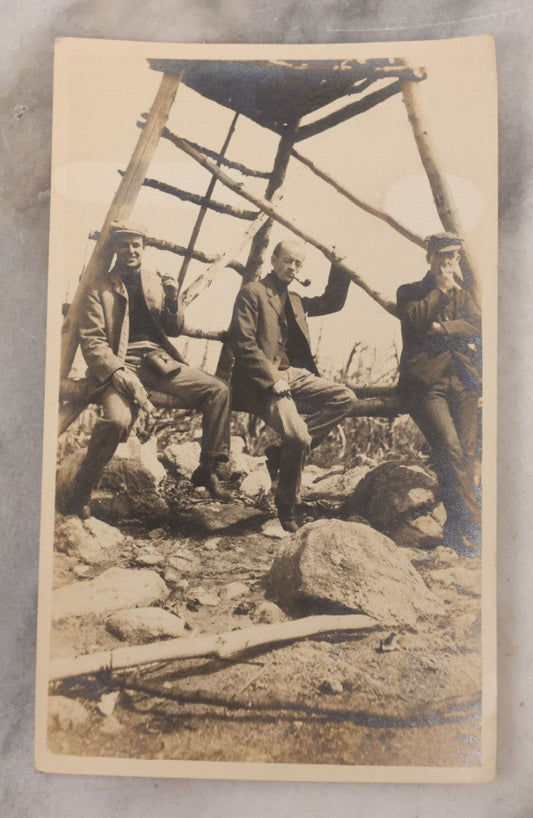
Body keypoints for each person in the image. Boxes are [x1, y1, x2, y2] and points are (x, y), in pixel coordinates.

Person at [66, 219, 232, 518]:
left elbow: (174, 329)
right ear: (114, 247)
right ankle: (80, 493)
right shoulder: (98, 288)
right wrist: (119, 375)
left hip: (157, 362)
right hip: (119, 366)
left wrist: (172, 299)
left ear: (144, 248)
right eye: (124, 244)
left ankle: (209, 468)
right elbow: (93, 342)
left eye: (136, 245)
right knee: (116, 421)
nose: (130, 250)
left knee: (218, 389)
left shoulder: (154, 279)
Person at [228, 239, 359, 532]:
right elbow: (243, 343)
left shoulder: (296, 300)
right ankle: (287, 506)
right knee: (299, 438)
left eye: (298, 263)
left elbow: (333, 301)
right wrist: (272, 378)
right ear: (273, 260)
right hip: (263, 382)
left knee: (345, 398)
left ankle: (280, 454)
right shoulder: (252, 293)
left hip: (296, 376)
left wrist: (339, 264)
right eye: (288, 261)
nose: (293, 268)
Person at [396, 232, 482, 554]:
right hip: (426, 384)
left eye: (454, 257)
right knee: (451, 450)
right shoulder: (410, 291)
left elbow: (478, 324)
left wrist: (443, 329)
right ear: (429, 258)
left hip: (462, 381)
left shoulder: (464, 295)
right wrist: (440, 290)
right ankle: (473, 528)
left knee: (467, 453)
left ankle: (455, 530)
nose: (448, 263)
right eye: (442, 257)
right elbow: (415, 321)